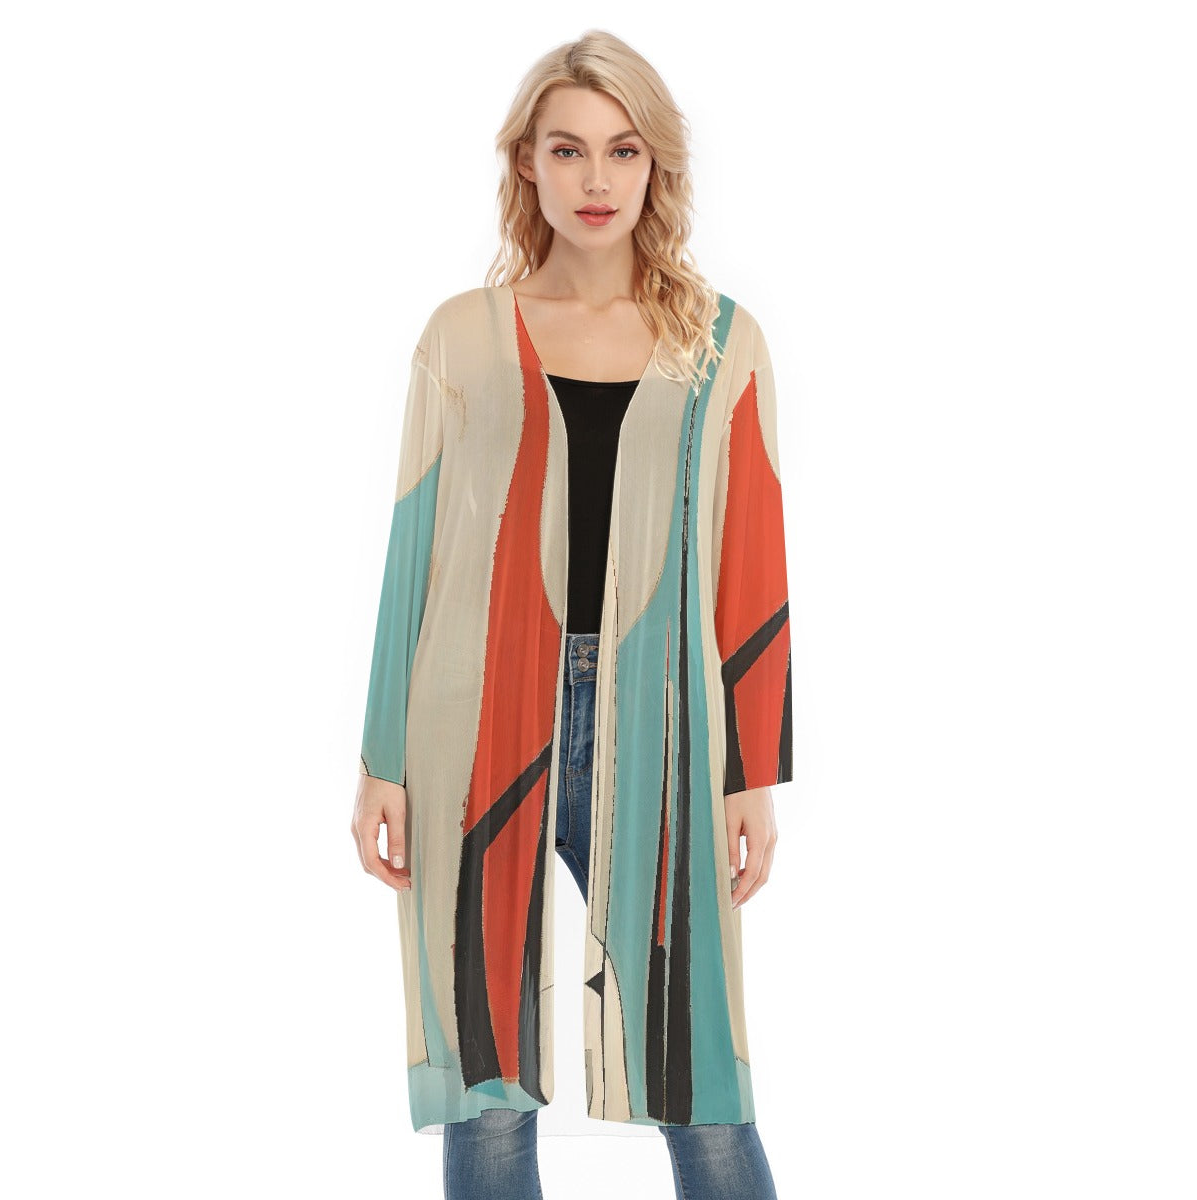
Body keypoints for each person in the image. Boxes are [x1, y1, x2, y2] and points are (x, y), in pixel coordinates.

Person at [350, 29, 793, 1200]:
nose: (597, 179)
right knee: (487, 1071)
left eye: (623, 150)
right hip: (474, 715)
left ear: (656, 167)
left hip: (660, 724)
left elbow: (753, 563)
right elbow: (413, 550)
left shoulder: (721, 343)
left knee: (696, 1065)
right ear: (527, 163)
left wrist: (750, 773)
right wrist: (382, 757)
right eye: (568, 149)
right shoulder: (461, 337)